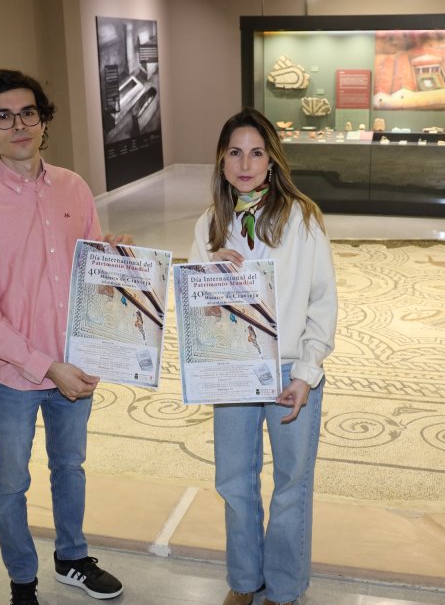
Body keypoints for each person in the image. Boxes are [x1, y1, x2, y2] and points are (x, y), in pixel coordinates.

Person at [0, 69, 128, 604]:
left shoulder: (74, 187)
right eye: (3, 117)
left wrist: (115, 261)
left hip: (74, 363)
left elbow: (93, 273)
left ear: (42, 120)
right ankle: (22, 581)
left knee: (69, 468)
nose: (18, 125)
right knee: (11, 484)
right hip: (13, 377)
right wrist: (47, 366)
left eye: (28, 113)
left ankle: (72, 558)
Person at [189, 108, 338, 605]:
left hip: (289, 369)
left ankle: (286, 588)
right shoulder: (210, 223)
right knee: (234, 480)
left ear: (272, 161)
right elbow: (197, 312)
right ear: (222, 160)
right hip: (230, 367)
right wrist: (209, 275)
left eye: (256, 152)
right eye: (235, 152)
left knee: (291, 484)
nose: (246, 163)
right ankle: (245, 580)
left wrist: (307, 371)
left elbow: (322, 301)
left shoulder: (302, 218)